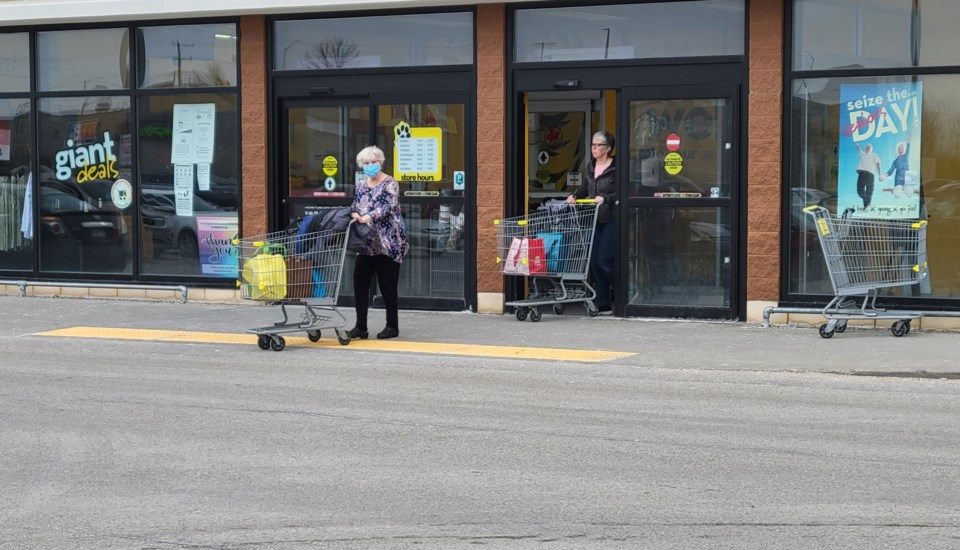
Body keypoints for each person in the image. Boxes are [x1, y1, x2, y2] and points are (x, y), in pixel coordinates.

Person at [348, 145, 410, 340]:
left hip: (388, 242)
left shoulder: (390, 183)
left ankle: (392, 326)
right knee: (360, 282)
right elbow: (354, 205)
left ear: (381, 162)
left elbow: (389, 206)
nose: (370, 166)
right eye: (366, 163)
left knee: (387, 286)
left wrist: (368, 216)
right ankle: (360, 327)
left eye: (373, 162)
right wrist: (355, 214)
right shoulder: (361, 185)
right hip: (366, 243)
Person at [567, 130, 617, 315]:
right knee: (594, 263)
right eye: (593, 145)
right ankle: (603, 303)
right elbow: (585, 187)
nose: (594, 148)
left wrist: (606, 198)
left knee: (604, 260)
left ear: (608, 148)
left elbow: (622, 191)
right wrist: (574, 195)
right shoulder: (590, 166)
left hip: (612, 219)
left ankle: (624, 289)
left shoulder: (616, 167)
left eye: (598, 145)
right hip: (594, 218)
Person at [881, 133, 913, 198]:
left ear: (904, 150)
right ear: (897, 150)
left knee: (909, 195)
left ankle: (909, 189)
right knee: (897, 195)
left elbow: (908, 145)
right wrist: (883, 176)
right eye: (899, 149)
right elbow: (890, 171)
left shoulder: (906, 156)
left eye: (902, 148)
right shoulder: (895, 161)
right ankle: (891, 189)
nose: (901, 150)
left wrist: (910, 136)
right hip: (898, 179)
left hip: (908, 177)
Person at [854, 142, 883, 208]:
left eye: (869, 147)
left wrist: (880, 174)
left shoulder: (874, 155)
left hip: (870, 174)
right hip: (862, 173)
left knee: (869, 191)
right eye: (867, 146)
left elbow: (878, 163)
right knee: (860, 191)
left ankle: (867, 207)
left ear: (871, 149)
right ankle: (868, 203)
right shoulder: (863, 154)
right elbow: (860, 150)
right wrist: (858, 146)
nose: (868, 147)